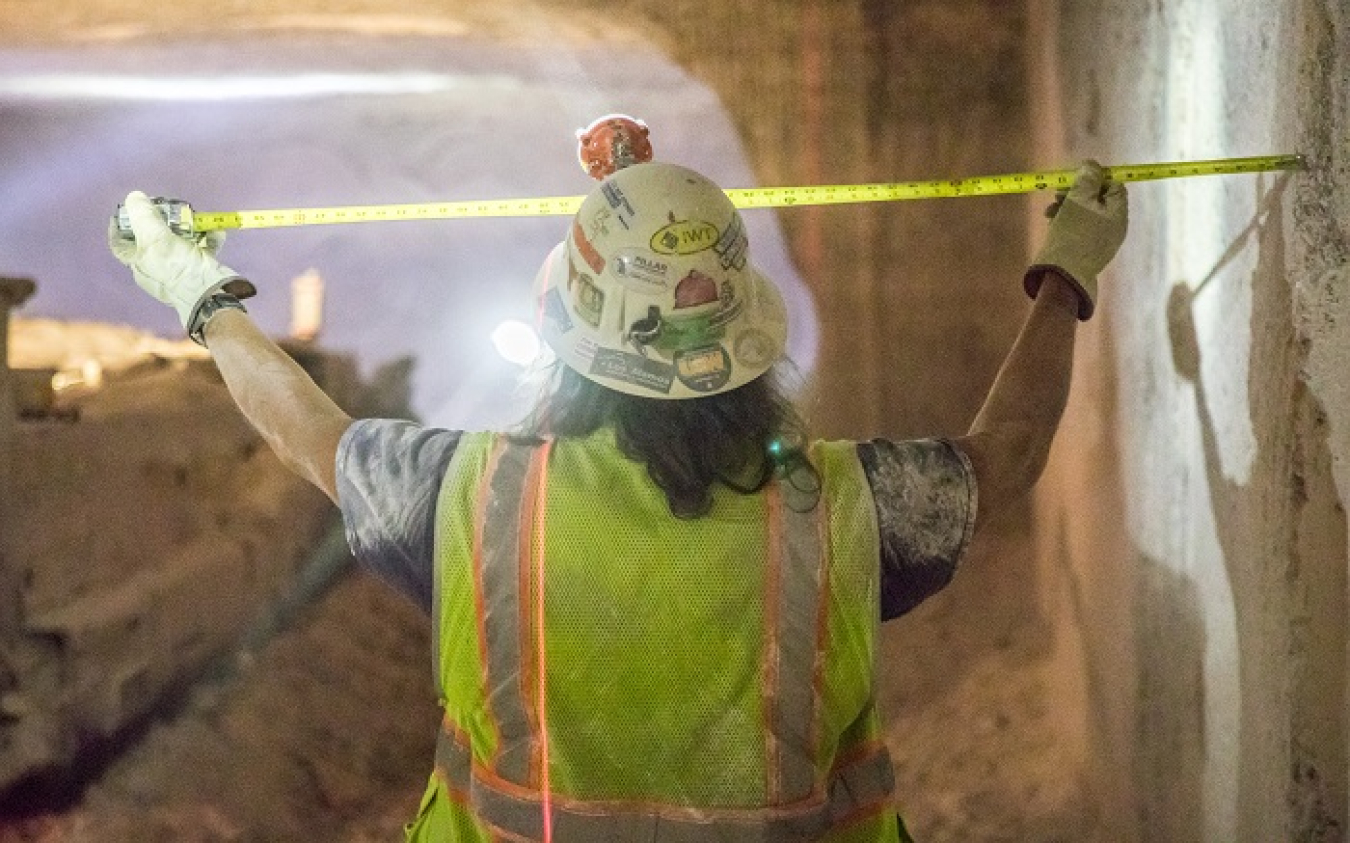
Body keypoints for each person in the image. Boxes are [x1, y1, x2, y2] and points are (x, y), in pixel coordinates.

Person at [109, 156, 1127, 842]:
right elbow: (1012, 452)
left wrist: (197, 292)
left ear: (569, 344)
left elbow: (308, 434)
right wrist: (1066, 274)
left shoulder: (473, 497)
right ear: (751, 345)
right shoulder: (845, 508)